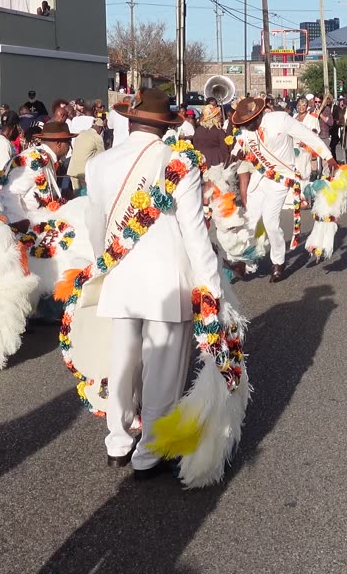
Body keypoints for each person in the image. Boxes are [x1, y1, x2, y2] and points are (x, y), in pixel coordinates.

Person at [85, 89, 224, 479]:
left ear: (129, 121)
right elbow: (195, 232)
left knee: (123, 361)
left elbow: (95, 226)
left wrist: (106, 265)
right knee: (163, 369)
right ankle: (149, 452)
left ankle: (117, 441)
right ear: (167, 126)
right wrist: (210, 286)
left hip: (122, 274)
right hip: (167, 279)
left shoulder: (100, 164)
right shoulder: (178, 159)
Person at [231, 96, 338, 282]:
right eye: (243, 123)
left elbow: (308, 136)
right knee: (249, 220)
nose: (245, 126)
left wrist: (328, 156)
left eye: (248, 122)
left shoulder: (280, 119)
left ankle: (278, 262)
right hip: (259, 177)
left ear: (258, 116)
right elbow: (239, 148)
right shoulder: (246, 132)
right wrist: (235, 156)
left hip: (280, 179)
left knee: (271, 222)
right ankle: (244, 260)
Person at [0, 121, 74, 226]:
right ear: (59, 143)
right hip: (25, 230)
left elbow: (42, 192)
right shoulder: (31, 161)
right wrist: (19, 225)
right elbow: (9, 195)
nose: (70, 148)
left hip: (40, 224)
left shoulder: (46, 159)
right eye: (69, 142)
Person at [66, 116, 106, 197]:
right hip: (84, 173)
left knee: (76, 197)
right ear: (100, 128)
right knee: (85, 199)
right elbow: (103, 156)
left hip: (72, 170)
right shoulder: (97, 137)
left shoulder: (82, 133)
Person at [190, 103, 232, 169]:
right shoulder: (219, 131)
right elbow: (224, 149)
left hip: (201, 161)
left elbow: (195, 145)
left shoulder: (198, 130)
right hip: (217, 160)